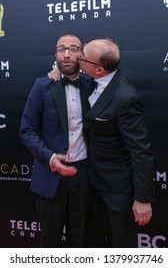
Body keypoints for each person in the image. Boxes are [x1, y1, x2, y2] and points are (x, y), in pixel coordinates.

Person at [77, 39, 154, 247]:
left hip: (118, 189)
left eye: (82, 55)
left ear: (99, 69)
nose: (77, 56)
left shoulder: (125, 98)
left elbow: (141, 151)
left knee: (120, 244)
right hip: (92, 182)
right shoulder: (91, 81)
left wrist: (143, 198)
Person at [19, 33, 94, 248]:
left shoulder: (93, 85)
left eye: (73, 48)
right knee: (49, 241)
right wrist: (50, 157)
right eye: (62, 49)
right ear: (56, 54)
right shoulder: (42, 86)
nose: (67, 54)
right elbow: (27, 130)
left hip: (84, 176)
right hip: (50, 176)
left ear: (82, 53)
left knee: (80, 240)